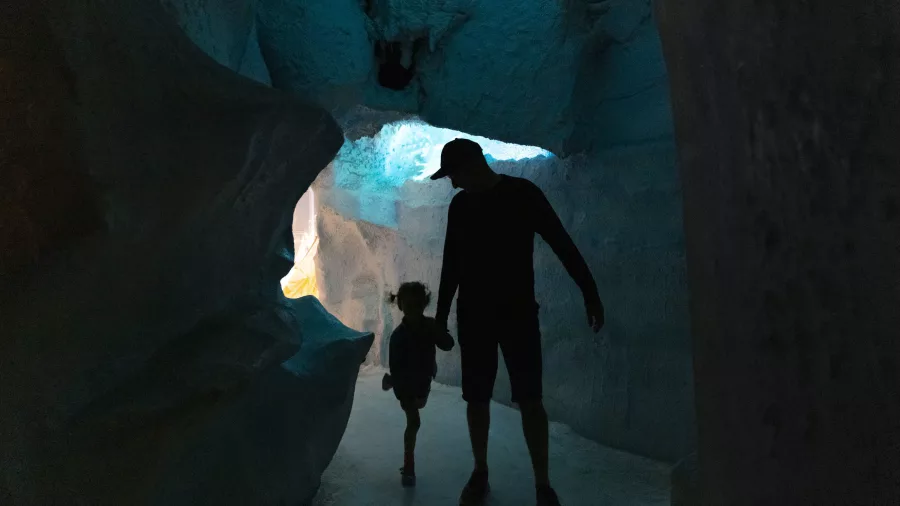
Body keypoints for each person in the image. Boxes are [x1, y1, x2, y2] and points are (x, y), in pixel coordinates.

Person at [430, 139, 605, 506]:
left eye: (454, 174)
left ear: (471, 164)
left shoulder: (523, 195)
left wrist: (590, 290)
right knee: (478, 398)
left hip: (516, 315)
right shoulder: (462, 205)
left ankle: (542, 482)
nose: (453, 184)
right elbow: (452, 265)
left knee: (529, 398)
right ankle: (482, 471)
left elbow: (562, 243)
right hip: (478, 317)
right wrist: (441, 318)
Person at [381, 281, 456, 487]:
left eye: (417, 303)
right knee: (414, 422)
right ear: (401, 305)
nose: (413, 308)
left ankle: (408, 466)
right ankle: (409, 467)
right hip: (407, 388)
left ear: (424, 304)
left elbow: (448, 345)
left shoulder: (429, 327)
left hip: (422, 385)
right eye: (409, 304)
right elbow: (397, 366)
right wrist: (395, 383)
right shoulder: (398, 337)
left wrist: (439, 329)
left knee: (415, 418)